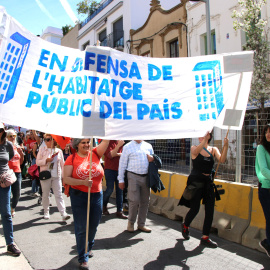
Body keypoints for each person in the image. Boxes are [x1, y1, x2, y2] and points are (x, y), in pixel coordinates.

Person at [63, 138, 109, 270]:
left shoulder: (95, 153)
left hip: (96, 194)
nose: (86, 144)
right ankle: (83, 257)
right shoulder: (71, 159)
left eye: (88, 142)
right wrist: (82, 182)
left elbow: (105, 142)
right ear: (77, 145)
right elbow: (66, 178)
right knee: (82, 227)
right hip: (79, 196)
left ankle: (89, 246)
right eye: (83, 142)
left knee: (94, 224)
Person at [179, 132, 228, 248]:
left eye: (204, 134)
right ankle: (185, 225)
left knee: (210, 210)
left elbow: (222, 160)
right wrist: (203, 141)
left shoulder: (213, 149)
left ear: (209, 136)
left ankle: (205, 237)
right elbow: (196, 153)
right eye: (199, 134)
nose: (200, 136)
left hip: (208, 182)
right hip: (196, 182)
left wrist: (226, 146)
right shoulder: (194, 148)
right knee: (195, 208)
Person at [118, 140, 154, 233]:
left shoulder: (148, 146)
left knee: (145, 201)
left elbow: (153, 161)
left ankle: (141, 224)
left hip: (146, 177)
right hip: (133, 176)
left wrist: (152, 159)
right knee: (134, 201)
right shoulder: (127, 147)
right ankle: (131, 223)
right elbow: (122, 164)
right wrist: (121, 180)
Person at [36, 133, 70, 220]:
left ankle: (63, 213)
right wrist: (46, 160)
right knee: (46, 194)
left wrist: (64, 177)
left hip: (56, 175)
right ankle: (46, 211)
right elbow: (37, 162)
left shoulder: (59, 151)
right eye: (47, 140)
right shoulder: (42, 150)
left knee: (58, 195)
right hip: (46, 175)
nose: (49, 141)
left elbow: (62, 165)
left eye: (50, 139)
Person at [0, 123, 21, 256]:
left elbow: (12, 155)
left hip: (3, 183)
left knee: (6, 213)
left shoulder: (7, 144)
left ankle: (10, 243)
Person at [255, 124, 270, 258]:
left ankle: (267, 243)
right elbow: (264, 170)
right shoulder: (261, 148)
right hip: (266, 188)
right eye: (266, 132)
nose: (268, 134)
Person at [103, 140, 127, 219]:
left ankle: (119, 211)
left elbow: (124, 155)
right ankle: (104, 205)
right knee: (109, 189)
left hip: (119, 169)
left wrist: (116, 153)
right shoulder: (108, 141)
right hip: (109, 169)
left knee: (120, 190)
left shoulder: (120, 141)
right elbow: (110, 155)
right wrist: (118, 146)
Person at [7, 129, 24, 218]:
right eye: (11, 136)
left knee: (17, 193)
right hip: (7, 173)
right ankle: (6, 211)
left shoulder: (17, 147)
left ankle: (12, 207)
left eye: (14, 136)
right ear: (6, 137)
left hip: (17, 172)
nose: (13, 138)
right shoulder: (4, 147)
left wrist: (21, 155)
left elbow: (21, 162)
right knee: (7, 194)